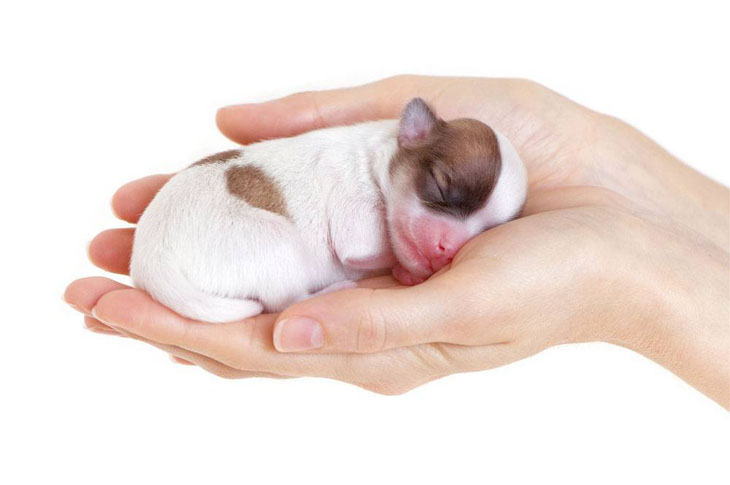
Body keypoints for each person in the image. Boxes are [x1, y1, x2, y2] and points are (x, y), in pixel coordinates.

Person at [64, 75, 729, 407]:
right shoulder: (348, 168)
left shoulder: (395, 165)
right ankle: (250, 292)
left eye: (484, 230)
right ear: (411, 135)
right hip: (221, 235)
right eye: (444, 197)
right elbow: (354, 250)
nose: (452, 245)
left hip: (199, 248)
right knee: (289, 260)